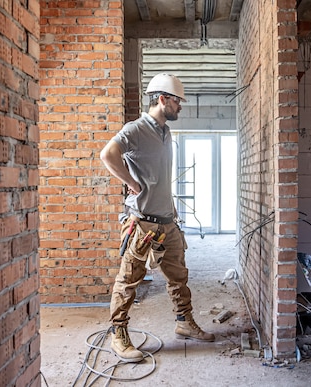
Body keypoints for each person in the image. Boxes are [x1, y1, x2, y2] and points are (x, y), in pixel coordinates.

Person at [99, 73, 214, 363]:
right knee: (129, 280)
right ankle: (118, 334)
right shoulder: (136, 129)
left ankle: (184, 322)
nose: (180, 107)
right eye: (177, 101)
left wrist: (172, 212)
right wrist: (131, 183)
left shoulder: (165, 132)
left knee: (178, 276)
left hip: (167, 220)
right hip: (142, 222)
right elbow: (107, 154)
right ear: (162, 99)